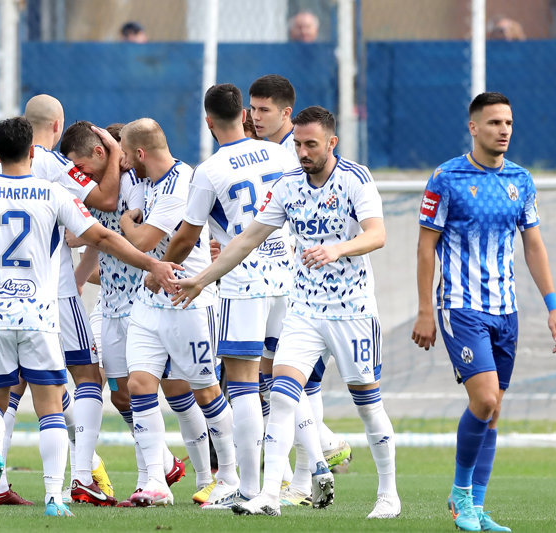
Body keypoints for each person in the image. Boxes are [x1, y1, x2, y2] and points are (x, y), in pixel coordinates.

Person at [0, 117, 180, 517]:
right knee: (52, 407)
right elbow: (102, 236)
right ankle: (56, 496)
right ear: (33, 152)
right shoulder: (53, 192)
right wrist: (151, 264)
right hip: (41, 316)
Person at [172, 106, 400, 519]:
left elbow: (377, 234)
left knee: (367, 403)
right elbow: (247, 240)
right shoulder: (288, 184)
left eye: (311, 144)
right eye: (297, 144)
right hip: (304, 310)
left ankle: (388, 495)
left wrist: (337, 249)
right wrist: (202, 279)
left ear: (332, 142)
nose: (302, 152)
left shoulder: (356, 178)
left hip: (351, 310)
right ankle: (268, 496)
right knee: (280, 394)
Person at [411, 91, 556, 532]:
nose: (503, 130)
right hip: (461, 307)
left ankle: (477, 507)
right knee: (484, 399)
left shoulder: (521, 180)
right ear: (474, 127)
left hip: (506, 310)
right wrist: (425, 310)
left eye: (509, 123)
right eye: (495, 122)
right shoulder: (446, 177)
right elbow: (425, 247)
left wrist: (553, 306)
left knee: (493, 409)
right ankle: (460, 495)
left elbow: (533, 245)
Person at [160, 83, 315, 510]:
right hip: (287, 278)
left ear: (208, 121)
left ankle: (247, 488)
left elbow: (186, 237)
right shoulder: (281, 154)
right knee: (286, 379)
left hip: (242, 282)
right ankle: (310, 470)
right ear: (245, 115)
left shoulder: (209, 170)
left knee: (244, 385)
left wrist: (161, 269)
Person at [61, 121, 214, 504]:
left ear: (107, 153)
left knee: (177, 391)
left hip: (147, 303)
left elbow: (138, 233)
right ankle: (160, 469)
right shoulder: (92, 190)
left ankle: (203, 478)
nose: (80, 175)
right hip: (112, 307)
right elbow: (97, 240)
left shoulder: (133, 185)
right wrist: (78, 275)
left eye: (82, 166)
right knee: (122, 395)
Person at [113, 117, 238, 507]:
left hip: (189, 302)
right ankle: (155, 481)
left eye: (125, 155)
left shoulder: (183, 183)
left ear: (139, 153)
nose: (122, 162)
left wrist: (124, 223)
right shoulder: (145, 181)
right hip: (149, 304)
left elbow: (143, 239)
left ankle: (229, 477)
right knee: (138, 385)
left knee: (206, 391)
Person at [250, 74, 354, 485]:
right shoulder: (265, 153)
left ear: (286, 113)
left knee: (289, 378)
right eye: (253, 109)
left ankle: (308, 472)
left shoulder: (300, 158)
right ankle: (317, 454)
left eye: (264, 110)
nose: (255, 117)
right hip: (269, 279)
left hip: (302, 286)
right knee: (275, 378)